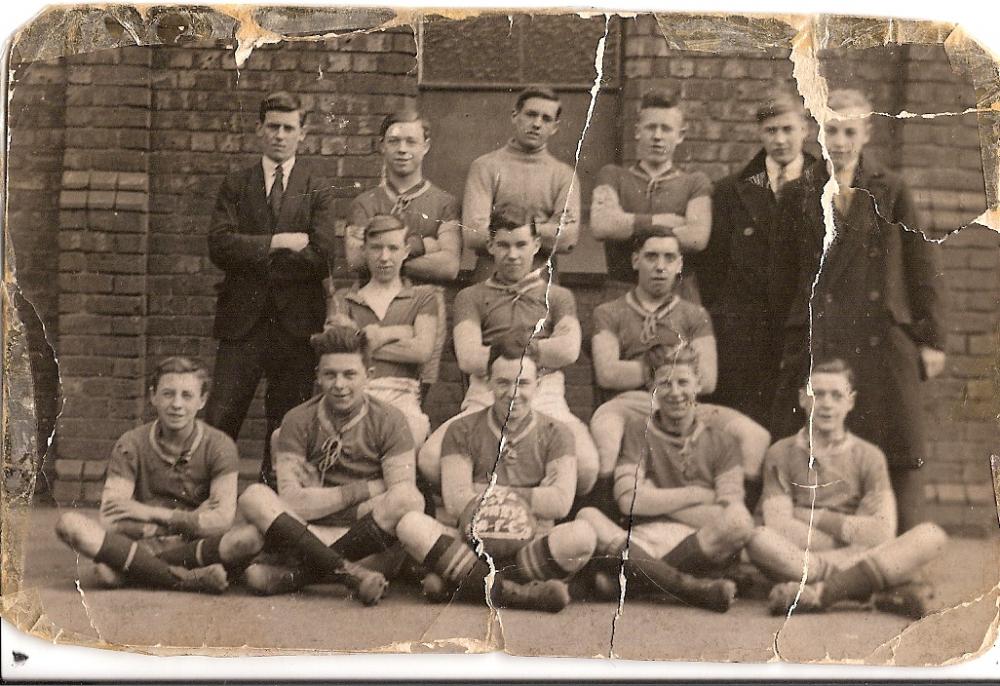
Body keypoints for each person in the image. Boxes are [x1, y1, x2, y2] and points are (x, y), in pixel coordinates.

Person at [771, 88, 948, 532]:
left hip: (881, 337)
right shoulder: (800, 193)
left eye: (851, 131)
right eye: (832, 130)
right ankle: (814, 551)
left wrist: (931, 338)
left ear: (866, 132)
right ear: (819, 130)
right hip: (822, 333)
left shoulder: (892, 190)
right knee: (816, 441)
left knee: (897, 443)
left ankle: (906, 556)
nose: (841, 141)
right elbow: (785, 273)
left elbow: (920, 265)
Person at [395, 341, 596, 612]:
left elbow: (560, 503)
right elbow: (456, 503)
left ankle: (463, 583)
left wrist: (481, 489)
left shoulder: (558, 432)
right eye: (503, 382)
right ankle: (515, 592)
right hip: (470, 541)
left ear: (538, 384)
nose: (513, 393)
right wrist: (533, 494)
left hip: (533, 541)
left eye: (522, 383)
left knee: (582, 535)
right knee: (409, 524)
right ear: (488, 382)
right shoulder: (462, 429)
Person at [418, 207, 599, 496]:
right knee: (430, 459)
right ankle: (486, 501)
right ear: (490, 246)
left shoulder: (559, 296)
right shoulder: (471, 297)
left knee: (587, 467)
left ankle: (532, 506)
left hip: (544, 392)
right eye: (503, 245)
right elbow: (468, 357)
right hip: (487, 391)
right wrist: (538, 348)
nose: (512, 254)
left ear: (536, 246)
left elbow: (568, 351)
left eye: (520, 245)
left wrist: (504, 347)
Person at [236, 326, 425, 604]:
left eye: (349, 374)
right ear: (318, 377)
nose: (340, 385)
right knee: (253, 496)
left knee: (408, 498)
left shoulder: (391, 420)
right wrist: (371, 487)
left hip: (365, 542)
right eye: (330, 374)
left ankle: (298, 577)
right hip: (308, 531)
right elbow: (293, 501)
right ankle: (350, 574)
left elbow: (403, 498)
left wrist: (320, 500)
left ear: (368, 376)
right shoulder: (298, 419)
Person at [205, 91, 337, 487]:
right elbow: (219, 245)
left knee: (286, 421)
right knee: (220, 417)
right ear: (259, 130)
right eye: (272, 127)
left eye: (288, 128)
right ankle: (207, 497)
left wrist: (252, 254)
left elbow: (322, 254)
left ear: (302, 133)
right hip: (241, 322)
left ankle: (275, 504)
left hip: (296, 325)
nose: (280, 135)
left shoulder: (317, 187)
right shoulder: (236, 184)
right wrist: (277, 244)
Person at [588, 230, 771, 514]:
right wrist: (667, 367)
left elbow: (707, 380)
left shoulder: (693, 314)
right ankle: (612, 516)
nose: (660, 266)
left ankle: (735, 517)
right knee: (606, 430)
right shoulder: (609, 311)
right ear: (635, 260)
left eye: (669, 257)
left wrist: (658, 370)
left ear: (679, 265)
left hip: (687, 402)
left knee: (755, 436)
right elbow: (608, 373)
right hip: (633, 403)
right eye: (651, 256)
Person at [748, 359, 948, 617]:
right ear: (802, 399)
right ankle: (862, 586)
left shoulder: (870, 455)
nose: (827, 404)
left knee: (931, 535)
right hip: (824, 557)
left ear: (850, 401)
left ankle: (821, 593)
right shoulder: (780, 452)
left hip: (820, 561)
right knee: (758, 539)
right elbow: (780, 528)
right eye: (817, 394)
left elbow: (882, 532)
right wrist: (851, 542)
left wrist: (808, 514)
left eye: (836, 395)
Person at [55, 357, 263, 594]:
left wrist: (148, 513)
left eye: (187, 395)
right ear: (153, 396)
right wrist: (190, 521)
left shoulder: (220, 445)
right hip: (148, 541)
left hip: (196, 545)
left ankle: (140, 569)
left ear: (202, 400)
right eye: (167, 394)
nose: (176, 404)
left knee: (249, 538)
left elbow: (222, 521)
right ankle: (186, 579)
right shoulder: (130, 444)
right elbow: (111, 519)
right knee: (70, 525)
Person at [577, 347, 754, 613]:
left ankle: (630, 584)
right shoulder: (639, 430)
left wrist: (653, 498)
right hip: (644, 540)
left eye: (683, 382)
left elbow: (731, 514)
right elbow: (628, 502)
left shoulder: (722, 440)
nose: (675, 392)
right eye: (665, 383)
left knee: (739, 522)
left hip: (700, 540)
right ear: (652, 388)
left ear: (698, 384)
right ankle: (689, 587)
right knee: (588, 516)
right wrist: (699, 494)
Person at [692, 88, 818, 428]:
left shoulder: (826, 187)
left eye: (788, 129)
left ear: (804, 129)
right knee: (745, 422)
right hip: (744, 331)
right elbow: (712, 267)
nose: (780, 140)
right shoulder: (729, 192)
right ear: (759, 133)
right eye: (771, 131)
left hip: (802, 327)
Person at [342, 110, 461, 392]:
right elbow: (357, 260)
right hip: (372, 307)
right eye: (394, 141)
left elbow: (449, 265)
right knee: (364, 385)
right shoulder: (365, 203)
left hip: (425, 312)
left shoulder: (444, 203)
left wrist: (384, 256)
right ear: (382, 145)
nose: (403, 149)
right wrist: (425, 245)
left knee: (417, 394)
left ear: (426, 146)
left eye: (411, 141)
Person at [590, 89, 711, 302]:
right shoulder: (612, 175)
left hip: (679, 295)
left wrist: (627, 224)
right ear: (637, 131)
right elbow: (602, 225)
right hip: (623, 291)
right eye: (650, 127)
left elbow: (696, 238)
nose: (657, 136)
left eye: (666, 129)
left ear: (680, 135)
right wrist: (662, 221)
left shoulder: (695, 182)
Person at [328, 214, 438, 446]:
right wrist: (400, 332)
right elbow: (336, 352)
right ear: (364, 250)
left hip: (402, 395)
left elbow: (421, 351)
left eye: (393, 248)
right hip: (352, 393)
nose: (385, 257)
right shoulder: (344, 299)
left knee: (410, 433)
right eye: (376, 248)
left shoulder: (422, 297)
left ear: (406, 251)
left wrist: (360, 337)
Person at [462, 86, 580, 280]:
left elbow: (567, 239)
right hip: (490, 278)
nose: (536, 124)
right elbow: (473, 235)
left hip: (540, 280)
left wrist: (502, 230)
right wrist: (543, 229)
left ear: (555, 127)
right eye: (531, 115)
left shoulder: (564, 175)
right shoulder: (485, 167)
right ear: (515, 116)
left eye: (546, 119)